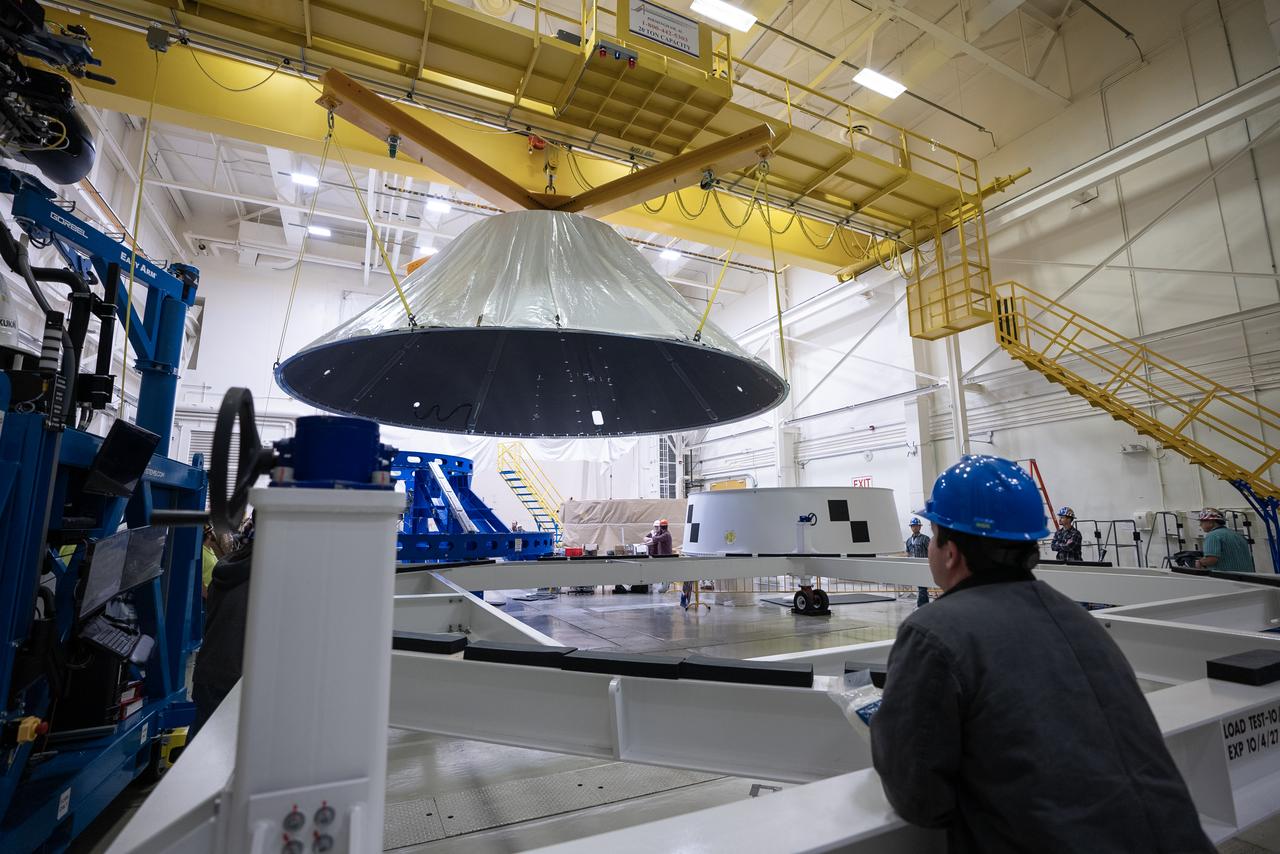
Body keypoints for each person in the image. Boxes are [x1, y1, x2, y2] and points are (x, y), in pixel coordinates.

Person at [870, 455, 1212, 854]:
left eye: (934, 533)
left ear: (950, 552)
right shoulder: (1079, 619)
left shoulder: (933, 633)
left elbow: (920, 797)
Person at [192, 518, 254, 733]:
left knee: (200, 753)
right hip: (235, 683)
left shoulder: (229, 565)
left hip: (209, 675)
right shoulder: (266, 575)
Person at [1196, 508, 1254, 573]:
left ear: (1211, 522)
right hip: (1248, 577)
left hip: (1228, 579)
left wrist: (1200, 562)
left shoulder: (1212, 536)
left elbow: (1212, 560)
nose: (1200, 524)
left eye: (1202, 521)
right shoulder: (1237, 534)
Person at [904, 517, 931, 607]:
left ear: (920, 527)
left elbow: (931, 552)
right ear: (911, 527)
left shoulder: (925, 539)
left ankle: (921, 606)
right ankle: (925, 605)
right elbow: (908, 553)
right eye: (913, 526)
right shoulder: (908, 541)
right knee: (920, 587)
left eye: (916, 526)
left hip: (923, 566)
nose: (915, 527)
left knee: (922, 587)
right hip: (914, 567)